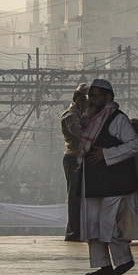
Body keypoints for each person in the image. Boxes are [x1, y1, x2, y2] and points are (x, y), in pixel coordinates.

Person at [77, 78, 138, 275]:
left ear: (108, 98)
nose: (91, 100)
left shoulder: (118, 119)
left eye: (96, 96)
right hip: (93, 182)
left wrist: (106, 154)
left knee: (107, 224)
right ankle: (103, 266)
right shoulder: (89, 120)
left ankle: (124, 260)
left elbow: (134, 146)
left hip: (115, 183)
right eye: (90, 96)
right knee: (93, 225)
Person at [60, 82, 88, 242]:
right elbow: (82, 133)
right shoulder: (70, 116)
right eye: (83, 100)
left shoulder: (81, 115)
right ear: (76, 99)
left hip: (82, 159)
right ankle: (73, 232)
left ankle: (80, 230)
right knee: (75, 197)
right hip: (73, 159)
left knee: (82, 196)